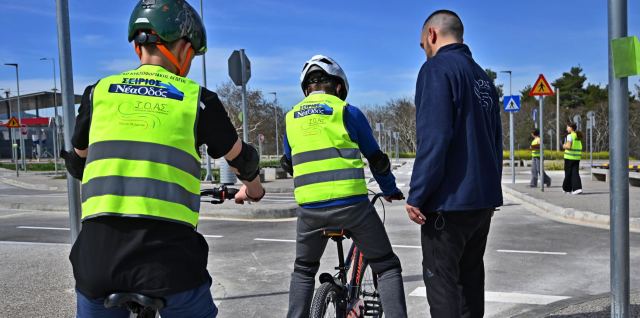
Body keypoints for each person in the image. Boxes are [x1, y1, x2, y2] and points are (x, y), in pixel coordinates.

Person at [59, 1, 265, 316]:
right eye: (193, 54)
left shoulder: (97, 93)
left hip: (97, 262)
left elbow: (77, 163)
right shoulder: (198, 100)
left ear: (137, 46)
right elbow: (242, 160)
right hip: (168, 265)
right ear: (182, 48)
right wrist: (253, 189)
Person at [282, 55, 407, 318]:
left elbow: (288, 163)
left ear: (306, 89)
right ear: (338, 87)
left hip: (310, 211)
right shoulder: (347, 112)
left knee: (304, 270)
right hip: (352, 207)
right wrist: (390, 188)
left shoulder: (290, 118)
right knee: (386, 266)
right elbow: (377, 159)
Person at [405, 10, 503, 318]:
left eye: (423, 46)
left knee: (442, 283)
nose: (425, 53)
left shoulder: (437, 70)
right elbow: (495, 143)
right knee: (470, 282)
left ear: (431, 35)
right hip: (481, 202)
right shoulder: (483, 78)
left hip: (448, 204)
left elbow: (434, 138)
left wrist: (417, 194)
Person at [562, 122, 583, 194]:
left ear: (571, 128)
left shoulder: (570, 136)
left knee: (568, 173)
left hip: (569, 157)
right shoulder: (578, 136)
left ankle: (567, 189)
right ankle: (577, 188)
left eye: (567, 127)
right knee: (575, 173)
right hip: (577, 158)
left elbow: (568, 146)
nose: (566, 128)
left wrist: (563, 145)